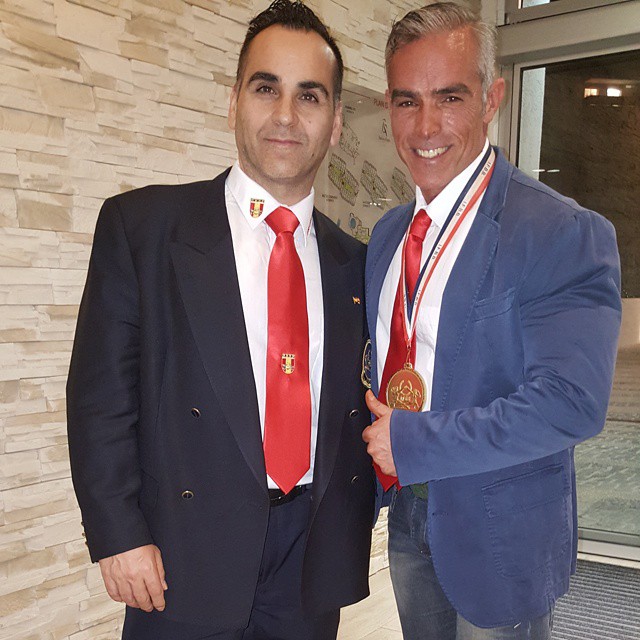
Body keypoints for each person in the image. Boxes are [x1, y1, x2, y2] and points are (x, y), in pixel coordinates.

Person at [66, 2, 374, 638]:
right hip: (182, 554)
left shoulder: (356, 263)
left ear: (336, 122)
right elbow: (101, 399)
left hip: (309, 565)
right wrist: (118, 534)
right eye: (266, 88)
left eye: (309, 96)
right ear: (234, 102)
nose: (285, 115)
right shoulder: (143, 230)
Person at [362, 3, 621, 639]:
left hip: (503, 533)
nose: (426, 126)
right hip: (408, 514)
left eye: (449, 97)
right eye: (406, 101)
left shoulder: (560, 230)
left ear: (492, 99)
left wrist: (416, 443)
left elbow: (570, 404)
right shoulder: (388, 235)